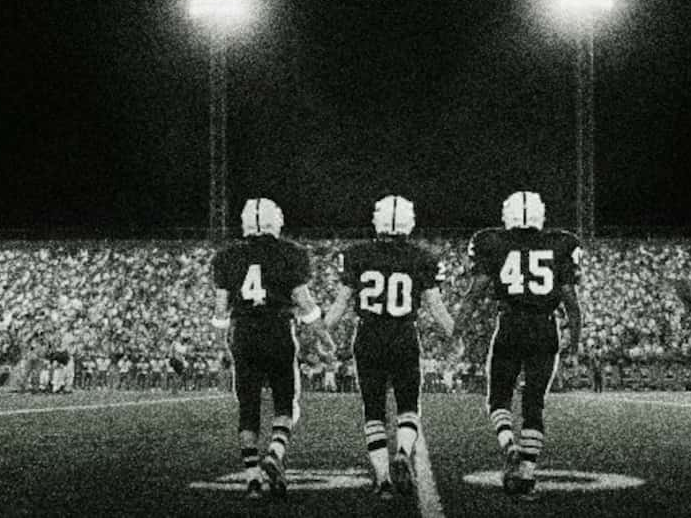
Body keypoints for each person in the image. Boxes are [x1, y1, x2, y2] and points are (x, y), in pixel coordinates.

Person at [325, 195, 455, 499]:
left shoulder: (356, 255)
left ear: (377, 220)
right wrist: (455, 334)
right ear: (409, 222)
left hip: (368, 336)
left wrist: (320, 332)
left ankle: (383, 478)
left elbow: (340, 305)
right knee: (408, 405)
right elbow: (437, 308)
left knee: (373, 411)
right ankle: (403, 452)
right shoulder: (423, 258)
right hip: (403, 335)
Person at [211, 197, 336, 501]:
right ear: (274, 221)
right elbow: (304, 303)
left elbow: (220, 310)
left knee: (248, 408)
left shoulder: (226, 256)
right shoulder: (290, 253)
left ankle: (252, 477)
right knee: (286, 403)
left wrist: (220, 344)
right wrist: (322, 335)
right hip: (278, 330)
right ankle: (276, 452)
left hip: (243, 333)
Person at [465, 191, 582, 495]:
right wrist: (575, 343)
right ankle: (527, 473)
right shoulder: (562, 242)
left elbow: (475, 294)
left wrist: (457, 328)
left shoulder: (491, 241)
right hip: (545, 327)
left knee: (497, 399)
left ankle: (508, 446)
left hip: (511, 325)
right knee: (534, 404)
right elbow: (571, 302)